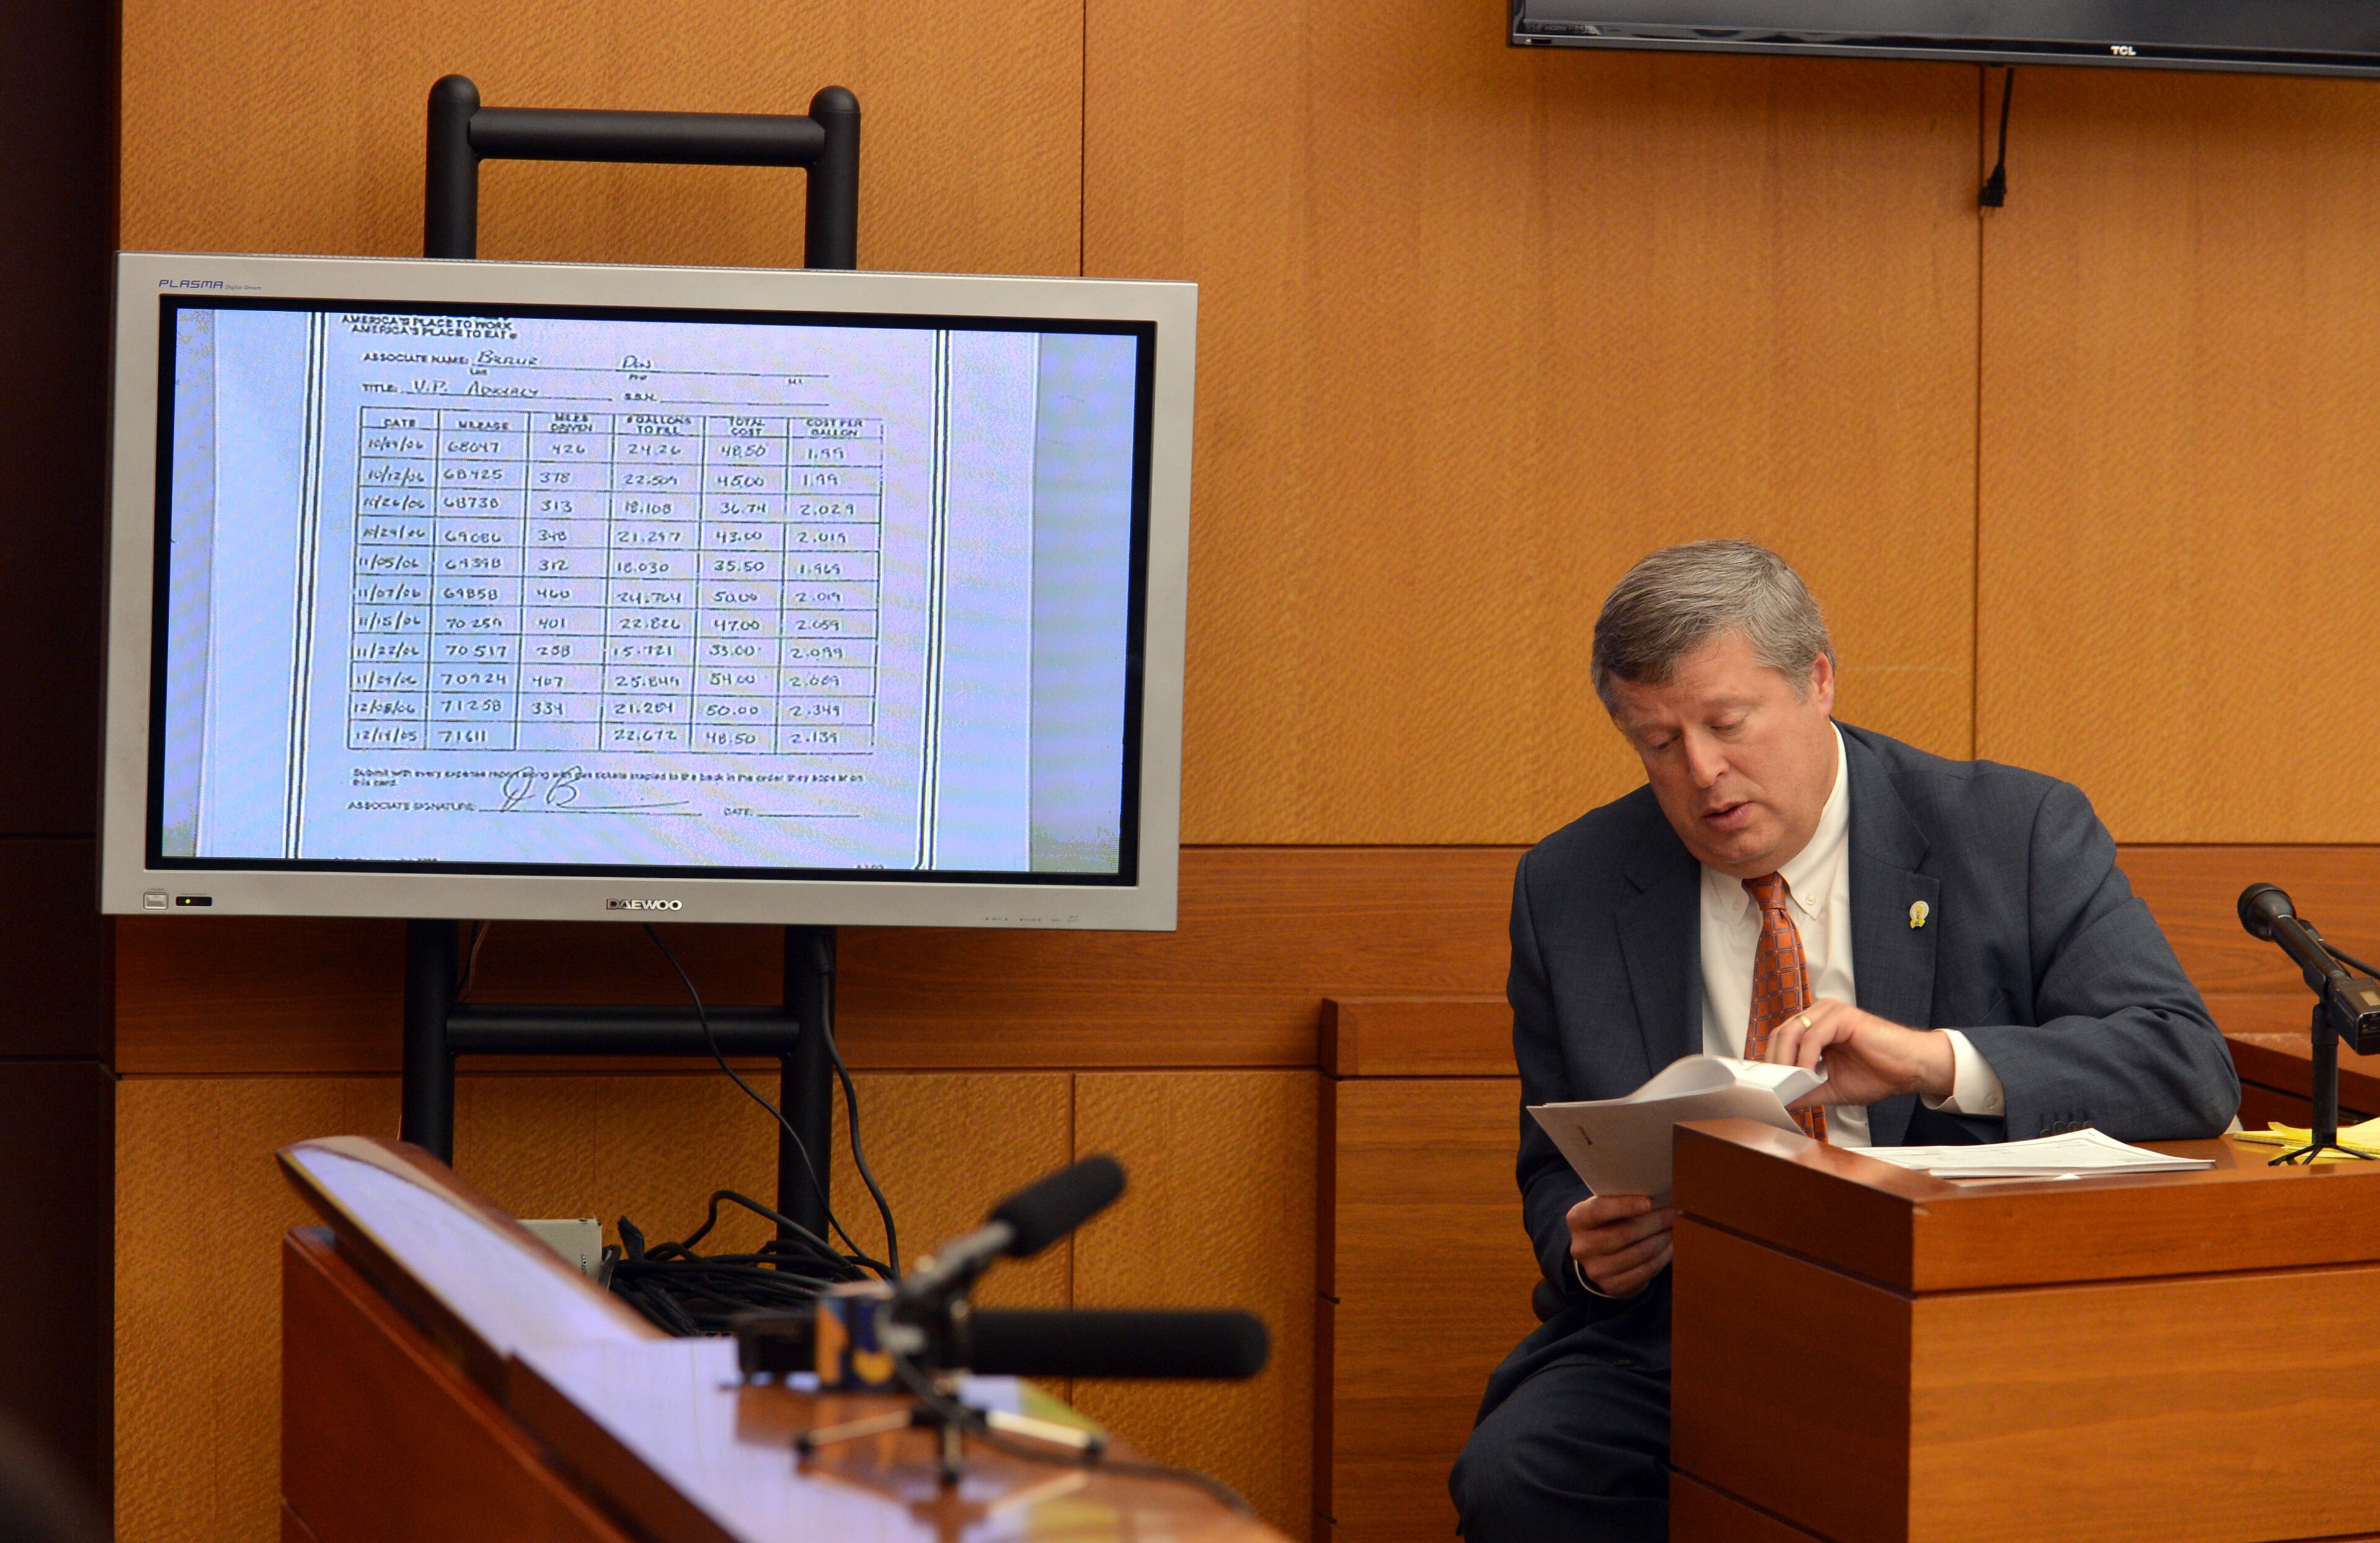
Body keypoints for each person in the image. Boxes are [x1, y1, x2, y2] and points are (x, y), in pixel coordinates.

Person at [1448, 540, 2238, 1543]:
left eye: (1728, 723)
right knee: (1517, 1477)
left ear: (1817, 680)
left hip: (1957, 1315)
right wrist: (1590, 1248)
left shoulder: (2013, 831)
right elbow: (1553, 1165)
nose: (1701, 773)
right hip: (1687, 1328)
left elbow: (2185, 1063)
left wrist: (1937, 1060)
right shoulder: (1572, 885)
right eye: (1658, 742)